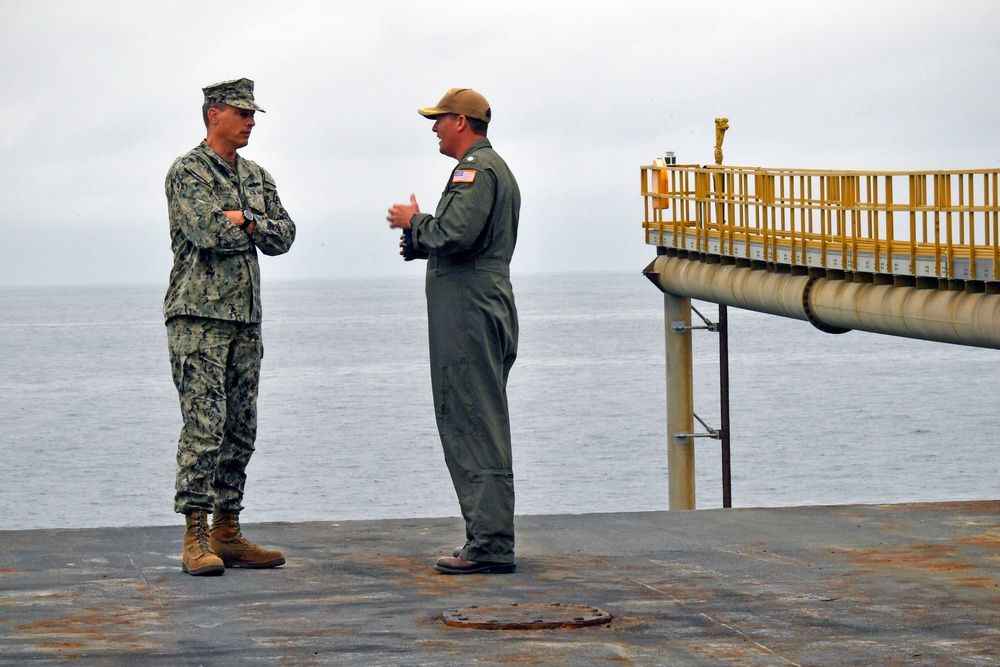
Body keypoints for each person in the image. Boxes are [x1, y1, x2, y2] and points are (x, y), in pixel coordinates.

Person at [164, 78, 296, 576]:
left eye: (253, 113)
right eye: (242, 112)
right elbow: (206, 231)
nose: (251, 121)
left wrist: (245, 220)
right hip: (198, 318)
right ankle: (195, 535)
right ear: (213, 113)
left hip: (245, 318)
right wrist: (246, 225)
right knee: (204, 426)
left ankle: (228, 529)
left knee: (241, 427)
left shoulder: (258, 176)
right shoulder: (188, 172)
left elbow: (284, 235)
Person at [386, 88, 521, 575]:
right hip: (478, 306)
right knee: (478, 417)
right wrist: (424, 242)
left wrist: (416, 222)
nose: (435, 128)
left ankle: (489, 544)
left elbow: (455, 234)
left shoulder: (474, 170)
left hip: (467, 315)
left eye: (440, 119)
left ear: (462, 121)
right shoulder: (489, 170)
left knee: (472, 421)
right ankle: (487, 537)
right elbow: (463, 239)